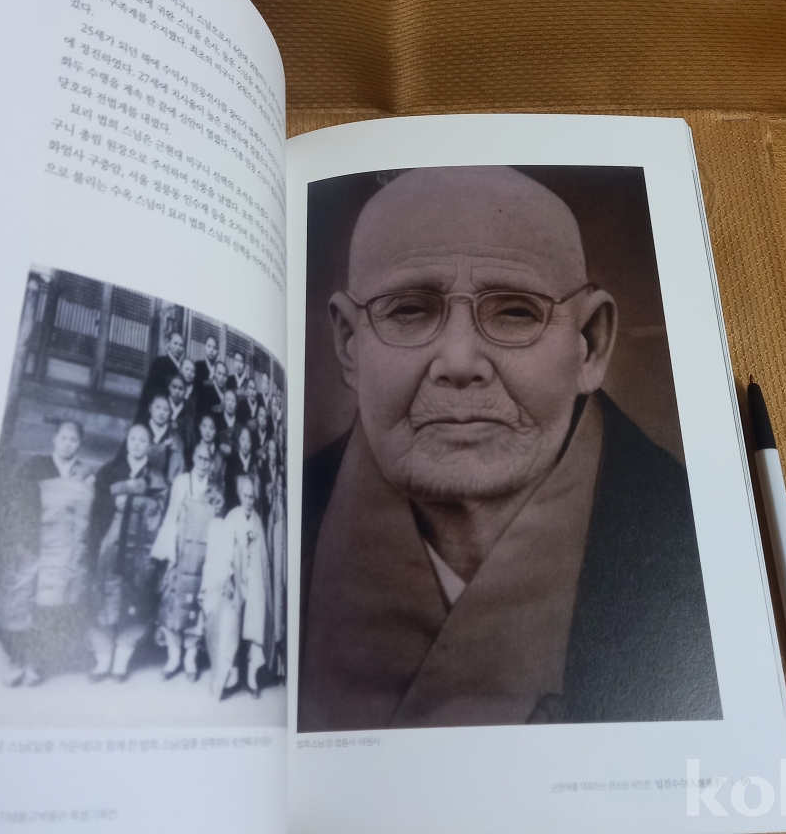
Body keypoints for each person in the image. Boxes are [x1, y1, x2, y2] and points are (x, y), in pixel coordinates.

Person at [298, 165, 720, 732]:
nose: (459, 363)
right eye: (409, 311)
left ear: (589, 344)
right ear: (350, 344)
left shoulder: (704, 548)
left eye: (516, 312)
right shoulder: (272, 524)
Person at [0, 420, 96, 686]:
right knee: (19, 603)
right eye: (64, 438)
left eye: (73, 440)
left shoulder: (84, 475)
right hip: (32, 542)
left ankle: (34, 662)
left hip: (61, 549)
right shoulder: (34, 466)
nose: (68, 443)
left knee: (48, 607)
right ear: (54, 438)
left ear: (80, 444)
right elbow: (17, 504)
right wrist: (23, 539)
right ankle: (16, 659)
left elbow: (83, 518)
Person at [88, 424, 169, 682]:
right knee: (105, 594)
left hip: (140, 546)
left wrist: (134, 501)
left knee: (134, 597)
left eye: (142, 440)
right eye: (133, 439)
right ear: (127, 441)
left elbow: (161, 509)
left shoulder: (156, 477)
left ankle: (122, 659)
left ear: (149, 446)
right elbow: (96, 504)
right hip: (110, 544)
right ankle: (103, 658)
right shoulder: (110, 470)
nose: (137, 444)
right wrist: (114, 501)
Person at [152, 442, 225, 681]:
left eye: (207, 459)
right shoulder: (182, 482)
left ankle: (190, 659)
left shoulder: (215, 489)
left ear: (211, 462)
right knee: (173, 604)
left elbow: (216, 526)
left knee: (196, 606)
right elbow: (172, 516)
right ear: (193, 457)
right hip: (181, 552)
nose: (203, 463)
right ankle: (173, 657)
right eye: (200, 458)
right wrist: (170, 553)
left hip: (203, 557)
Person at [201, 473, 271, 700]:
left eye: (252, 497)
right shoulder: (232, 517)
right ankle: (228, 677)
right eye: (245, 496)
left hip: (254, 581)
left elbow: (262, 557)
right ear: (240, 495)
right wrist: (229, 581)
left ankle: (251, 677)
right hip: (234, 580)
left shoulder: (257, 521)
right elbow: (224, 555)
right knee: (229, 625)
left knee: (254, 622)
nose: (249, 500)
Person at [264, 438, 287, 683]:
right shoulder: (274, 513)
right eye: (279, 485)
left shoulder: (287, 511)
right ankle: (278, 663)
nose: (281, 489)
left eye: (283, 485)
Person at [137, 332, 185, 422]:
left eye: (181, 345)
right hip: (161, 408)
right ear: (168, 344)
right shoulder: (160, 362)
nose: (178, 348)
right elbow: (152, 389)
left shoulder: (183, 368)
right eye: (175, 343)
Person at [144, 392, 184, 486]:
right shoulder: (141, 430)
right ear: (150, 408)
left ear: (170, 414)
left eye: (166, 410)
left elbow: (177, 466)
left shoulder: (174, 437)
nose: (161, 413)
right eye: (158, 407)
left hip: (164, 484)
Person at [225, 423, 256, 512]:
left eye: (248, 441)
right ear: (238, 440)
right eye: (243, 439)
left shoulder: (254, 462)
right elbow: (228, 492)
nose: (246, 444)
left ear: (251, 443)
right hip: (234, 509)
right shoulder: (231, 461)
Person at [194, 412, 226, 492]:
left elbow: (221, 482)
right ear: (199, 427)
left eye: (211, 428)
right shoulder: (192, 450)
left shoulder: (220, 456)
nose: (207, 431)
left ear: (215, 431)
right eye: (204, 426)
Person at [216, 389, 240, 458]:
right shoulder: (217, 421)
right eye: (228, 400)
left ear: (236, 404)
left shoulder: (239, 425)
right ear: (224, 402)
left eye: (233, 401)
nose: (230, 403)